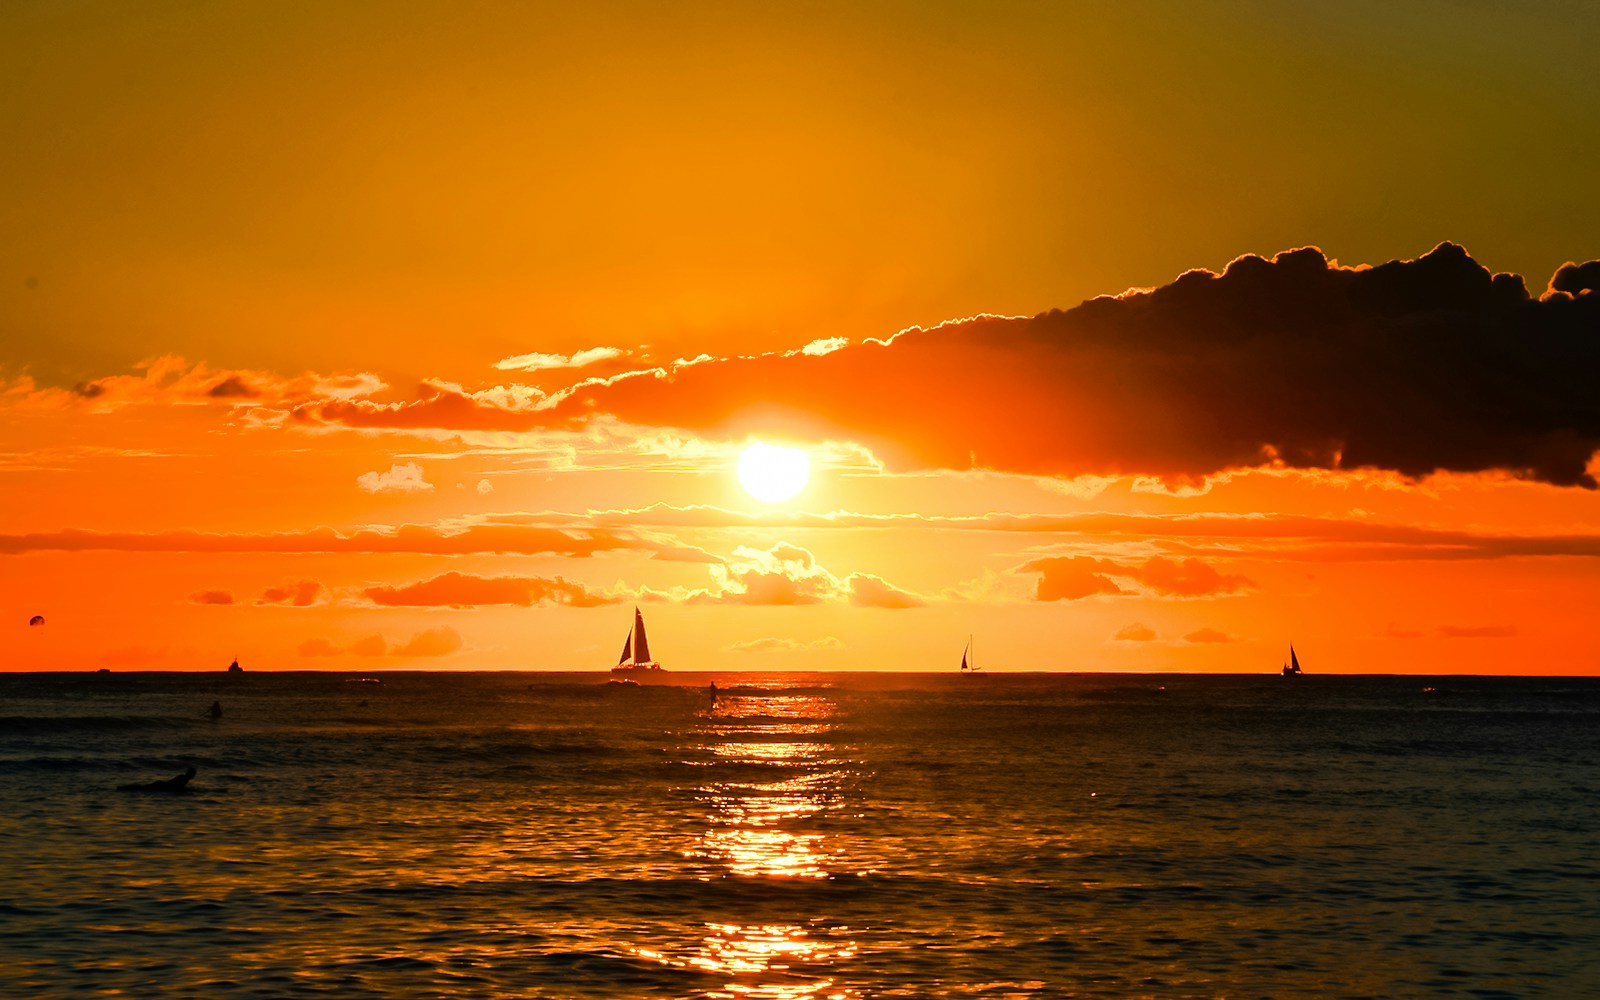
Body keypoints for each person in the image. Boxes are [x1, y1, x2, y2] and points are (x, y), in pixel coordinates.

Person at [118, 767, 196, 793]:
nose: (193, 776)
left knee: (143, 788)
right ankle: (123, 788)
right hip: (162, 786)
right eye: (193, 774)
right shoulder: (183, 778)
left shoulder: (183, 777)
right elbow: (176, 787)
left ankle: (124, 788)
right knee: (142, 788)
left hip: (162, 785)